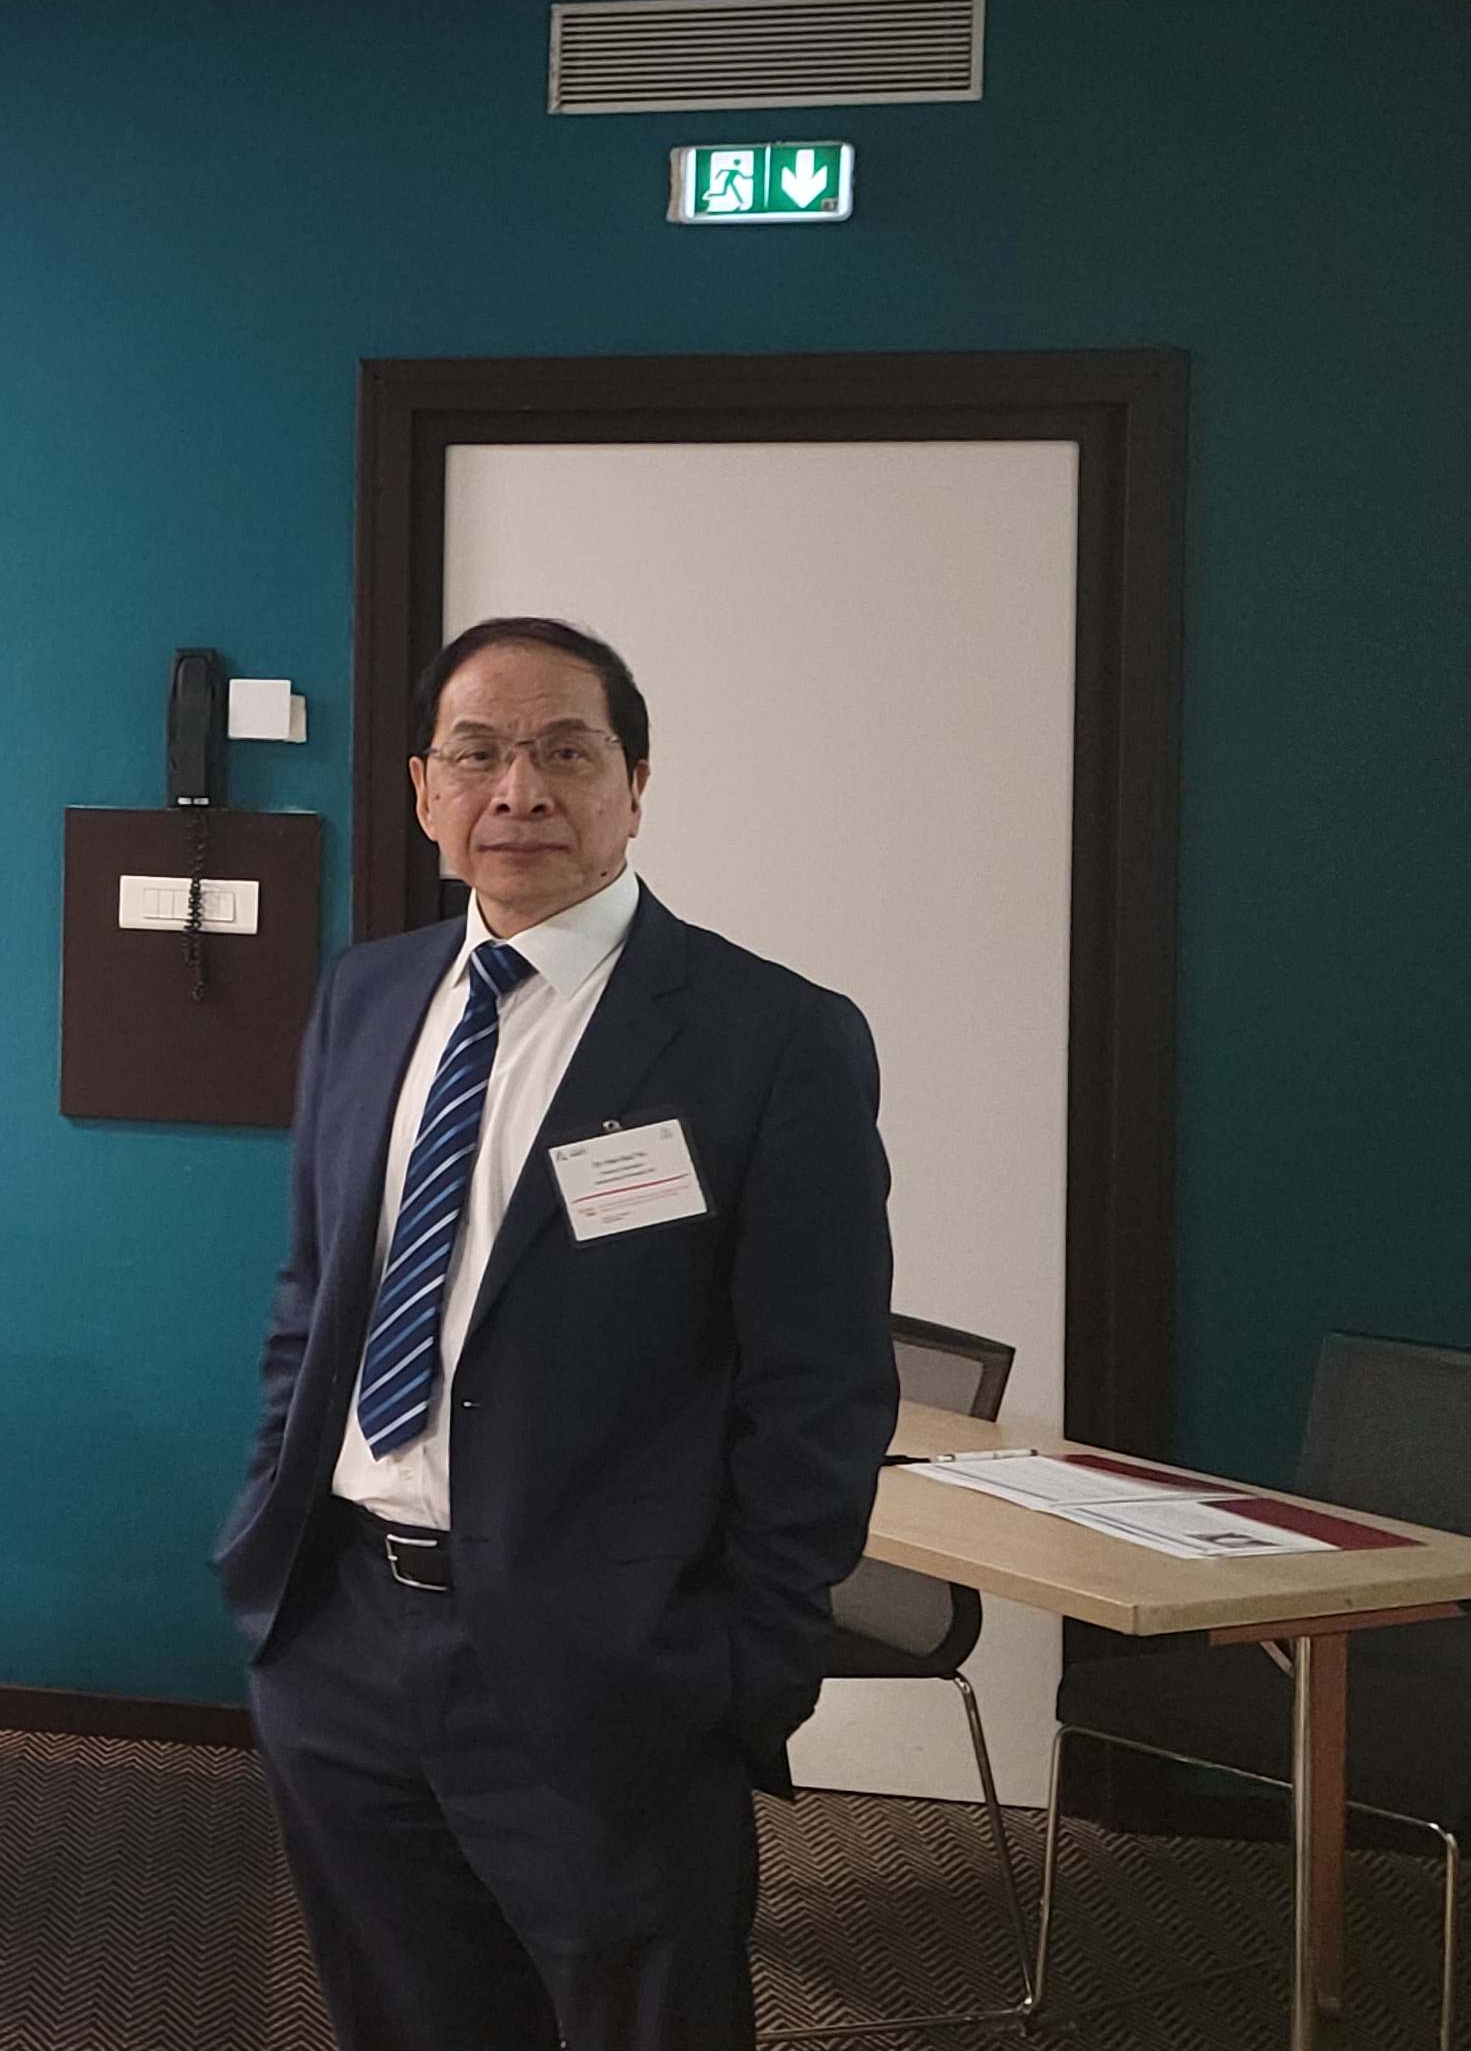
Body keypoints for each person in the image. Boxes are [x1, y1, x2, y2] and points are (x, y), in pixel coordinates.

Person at [214, 616, 898, 2051]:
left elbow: (820, 1389)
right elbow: (313, 1290)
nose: (517, 790)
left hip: (612, 1672)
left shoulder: (768, 1037)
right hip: (340, 1633)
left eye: (565, 752)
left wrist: (742, 1663)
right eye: (476, 753)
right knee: (405, 2014)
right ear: (423, 791)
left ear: (635, 785)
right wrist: (269, 1543)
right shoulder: (366, 995)